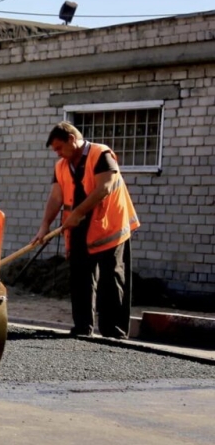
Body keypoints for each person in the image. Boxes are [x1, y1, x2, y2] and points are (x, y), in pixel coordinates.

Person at [31, 122, 139, 339]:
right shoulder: (62, 166)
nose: (58, 153)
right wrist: (44, 226)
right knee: (80, 278)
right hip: (79, 229)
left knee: (111, 278)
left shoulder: (101, 155)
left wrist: (78, 212)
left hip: (110, 227)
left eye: (60, 148)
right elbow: (55, 197)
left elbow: (104, 187)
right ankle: (82, 328)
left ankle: (113, 332)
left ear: (72, 139)